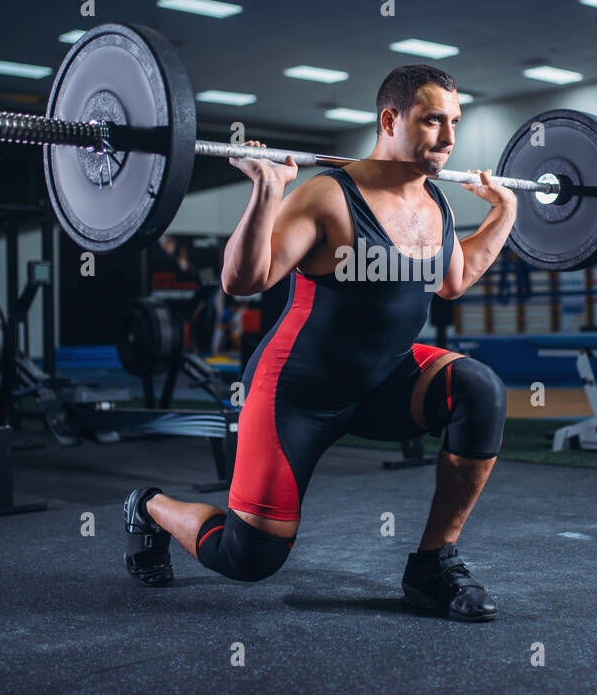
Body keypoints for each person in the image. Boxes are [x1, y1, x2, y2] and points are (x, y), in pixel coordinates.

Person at [123, 65, 515, 621]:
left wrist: (506, 212)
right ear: (390, 119)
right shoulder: (327, 195)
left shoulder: (437, 202)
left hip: (385, 383)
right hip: (297, 396)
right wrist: (267, 189)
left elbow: (453, 280)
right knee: (248, 558)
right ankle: (150, 506)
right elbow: (243, 281)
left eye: (454, 121)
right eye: (433, 121)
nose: (450, 138)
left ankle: (433, 566)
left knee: (479, 389)